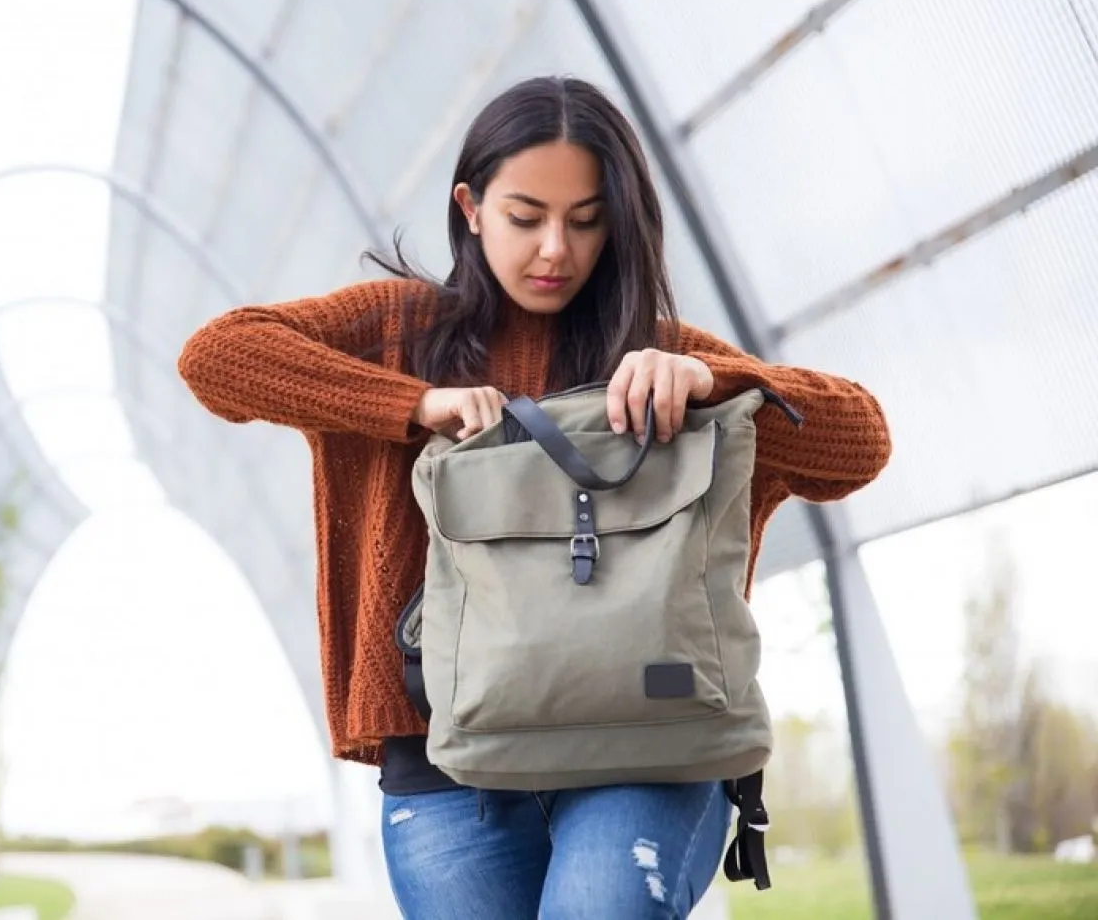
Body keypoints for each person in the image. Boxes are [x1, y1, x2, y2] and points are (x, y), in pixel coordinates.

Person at [177, 75, 891, 919]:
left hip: (647, 742)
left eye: (586, 221)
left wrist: (713, 378)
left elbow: (861, 441)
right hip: (445, 759)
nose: (556, 248)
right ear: (470, 207)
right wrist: (412, 404)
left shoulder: (658, 359)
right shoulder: (399, 332)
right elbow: (216, 355)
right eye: (526, 217)